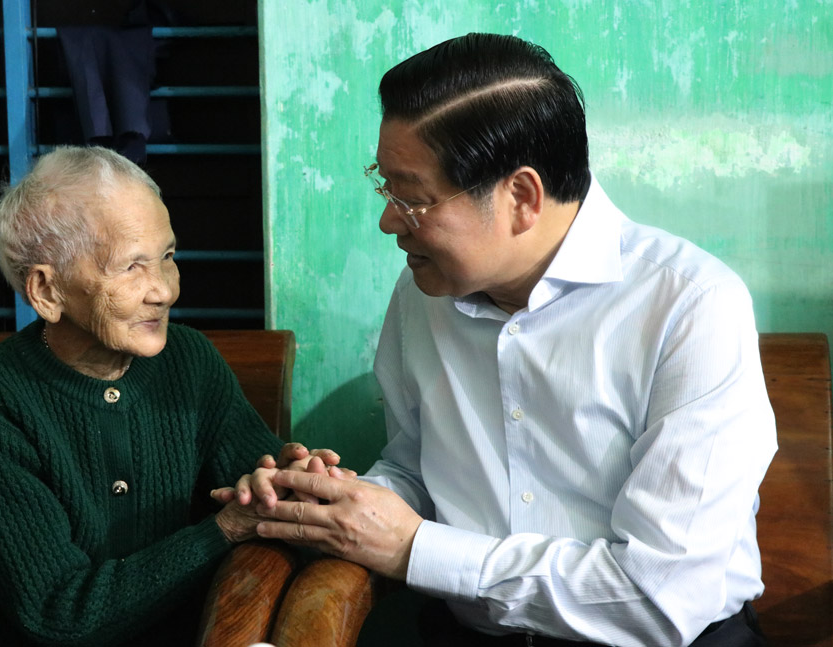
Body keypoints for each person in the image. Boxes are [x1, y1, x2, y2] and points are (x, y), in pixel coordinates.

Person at [233, 33, 777, 647]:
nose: (388, 220)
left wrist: (414, 548)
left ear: (521, 196)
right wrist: (336, 499)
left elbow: (659, 599)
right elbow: (417, 466)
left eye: (411, 199)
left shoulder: (689, 306)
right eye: (384, 189)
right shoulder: (423, 292)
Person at [0, 145, 340, 646]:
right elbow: (57, 612)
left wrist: (291, 481)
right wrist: (224, 529)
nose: (165, 291)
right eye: (131, 267)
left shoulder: (188, 360)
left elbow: (254, 484)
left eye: (167, 257)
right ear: (46, 290)